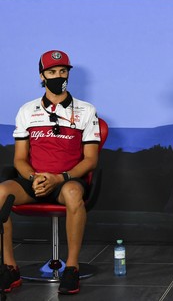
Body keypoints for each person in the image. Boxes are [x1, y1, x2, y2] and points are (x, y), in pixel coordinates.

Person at [0, 50, 100, 295]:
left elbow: (90, 160)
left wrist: (59, 178)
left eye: (63, 71)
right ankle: (9, 267)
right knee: (0, 192)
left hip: (66, 181)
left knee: (75, 194)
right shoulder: (27, 110)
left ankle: (71, 269)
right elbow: (20, 159)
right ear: (42, 76)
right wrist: (35, 178)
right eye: (52, 72)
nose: (58, 76)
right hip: (34, 181)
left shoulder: (86, 110)